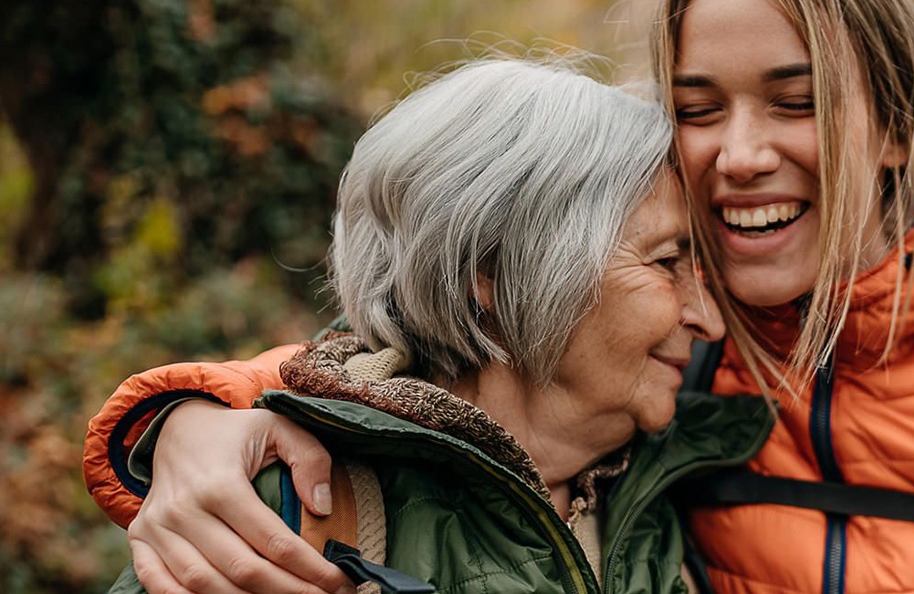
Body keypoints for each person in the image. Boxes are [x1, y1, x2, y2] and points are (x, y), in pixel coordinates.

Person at [83, 0, 914, 594]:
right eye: (698, 106)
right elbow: (436, 366)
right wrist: (193, 415)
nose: (739, 154)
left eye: (794, 102)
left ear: (894, 125)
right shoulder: (669, 362)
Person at [98, 57, 771, 594]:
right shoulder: (285, 514)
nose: (708, 319)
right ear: (496, 275)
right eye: (666, 262)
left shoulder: (671, 491)